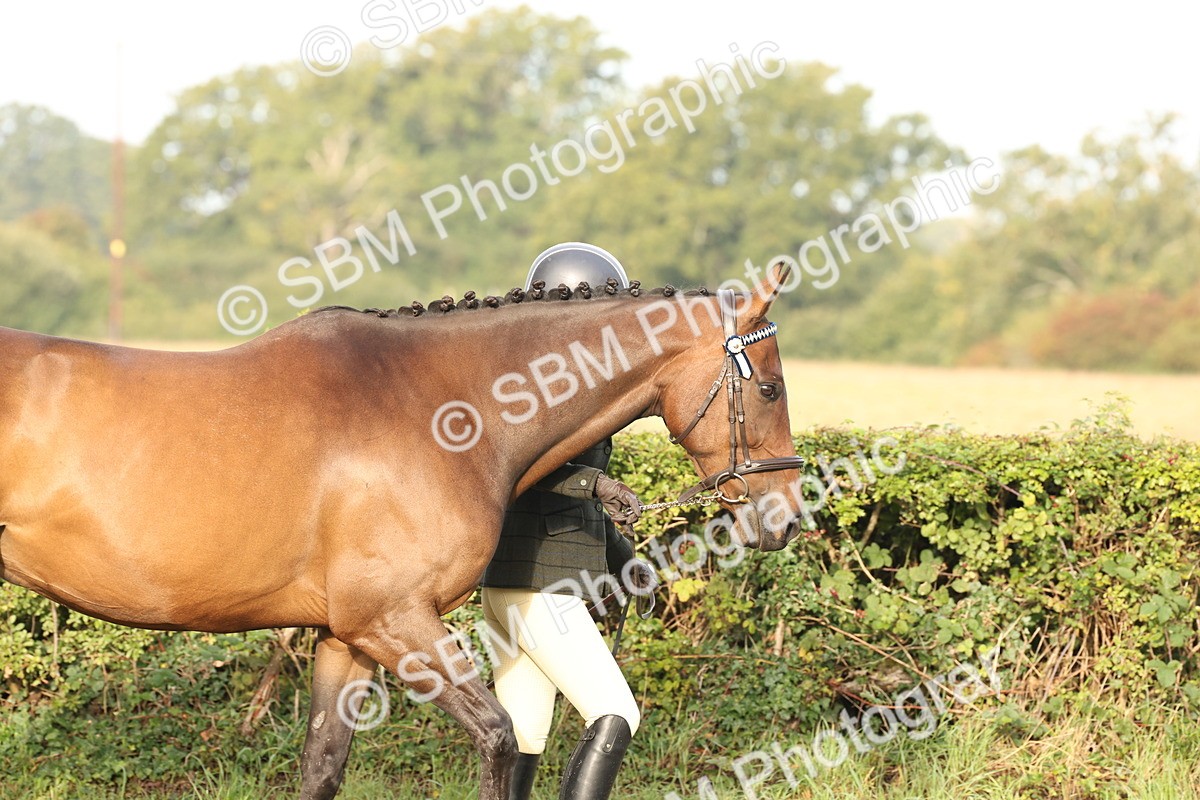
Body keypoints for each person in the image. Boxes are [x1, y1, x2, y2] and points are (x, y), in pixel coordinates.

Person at [480, 242, 658, 800]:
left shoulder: (567, 386)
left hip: (516, 584)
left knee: (526, 731)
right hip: (538, 588)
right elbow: (524, 469)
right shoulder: (536, 388)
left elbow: (576, 499)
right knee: (615, 714)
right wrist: (599, 483)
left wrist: (625, 562)